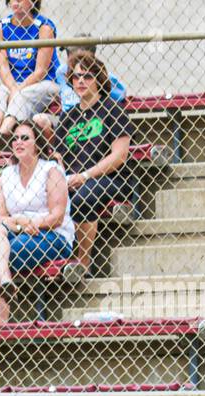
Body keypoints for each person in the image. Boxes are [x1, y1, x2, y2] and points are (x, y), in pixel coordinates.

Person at [50, 50, 132, 273]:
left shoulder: (112, 110)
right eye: (76, 77)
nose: (81, 81)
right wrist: (63, 178)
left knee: (84, 196)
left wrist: (85, 176)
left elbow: (119, 156)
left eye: (87, 76)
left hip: (109, 179)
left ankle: (83, 263)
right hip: (73, 178)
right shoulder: (68, 117)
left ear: (98, 80)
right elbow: (57, 155)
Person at [0, 120, 73, 324]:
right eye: (15, 139)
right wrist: (20, 222)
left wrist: (31, 223)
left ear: (37, 144)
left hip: (51, 234)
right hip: (17, 230)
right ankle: (6, 281)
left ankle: (1, 318)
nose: (18, 142)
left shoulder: (51, 170)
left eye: (25, 138)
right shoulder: (6, 175)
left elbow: (57, 216)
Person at [0, 0, 60, 144]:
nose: (16, 2)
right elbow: (3, 67)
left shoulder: (44, 27)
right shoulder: (1, 27)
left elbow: (41, 71)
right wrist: (13, 88)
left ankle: (3, 134)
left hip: (44, 83)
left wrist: (17, 90)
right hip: (13, 84)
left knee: (22, 95)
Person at [33, 42, 125, 136]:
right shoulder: (62, 71)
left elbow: (120, 93)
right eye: (76, 77)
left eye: (71, 54)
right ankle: (58, 148)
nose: (68, 58)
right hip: (67, 119)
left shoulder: (100, 73)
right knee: (39, 119)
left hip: (94, 117)